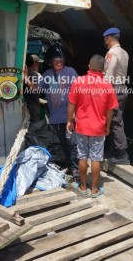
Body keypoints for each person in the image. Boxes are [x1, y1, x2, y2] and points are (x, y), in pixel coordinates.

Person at [67, 54, 118, 197]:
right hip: (98, 128)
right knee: (96, 158)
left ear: (89, 67)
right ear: (103, 69)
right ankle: (95, 189)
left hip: (82, 127)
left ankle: (83, 187)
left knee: (82, 156)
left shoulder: (79, 81)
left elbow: (72, 104)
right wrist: (107, 126)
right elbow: (110, 110)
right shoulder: (107, 85)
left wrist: (70, 120)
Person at [38, 44, 79, 181]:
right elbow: (37, 89)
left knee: (72, 143)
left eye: (60, 59)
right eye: (55, 60)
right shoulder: (47, 74)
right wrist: (26, 77)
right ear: (50, 62)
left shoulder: (72, 72)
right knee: (62, 143)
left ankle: (75, 170)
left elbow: (79, 92)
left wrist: (75, 115)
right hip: (56, 118)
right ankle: (69, 166)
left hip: (70, 117)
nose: (58, 62)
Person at [103, 27, 130, 165]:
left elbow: (108, 75)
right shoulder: (124, 53)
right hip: (122, 88)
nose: (105, 42)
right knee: (117, 118)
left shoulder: (111, 53)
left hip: (114, 89)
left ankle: (121, 154)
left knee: (114, 120)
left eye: (105, 39)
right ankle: (114, 151)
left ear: (109, 38)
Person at [24, 54, 44, 123]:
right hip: (33, 108)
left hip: (24, 105)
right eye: (39, 63)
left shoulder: (22, 73)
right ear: (35, 63)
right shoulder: (37, 75)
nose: (39, 66)